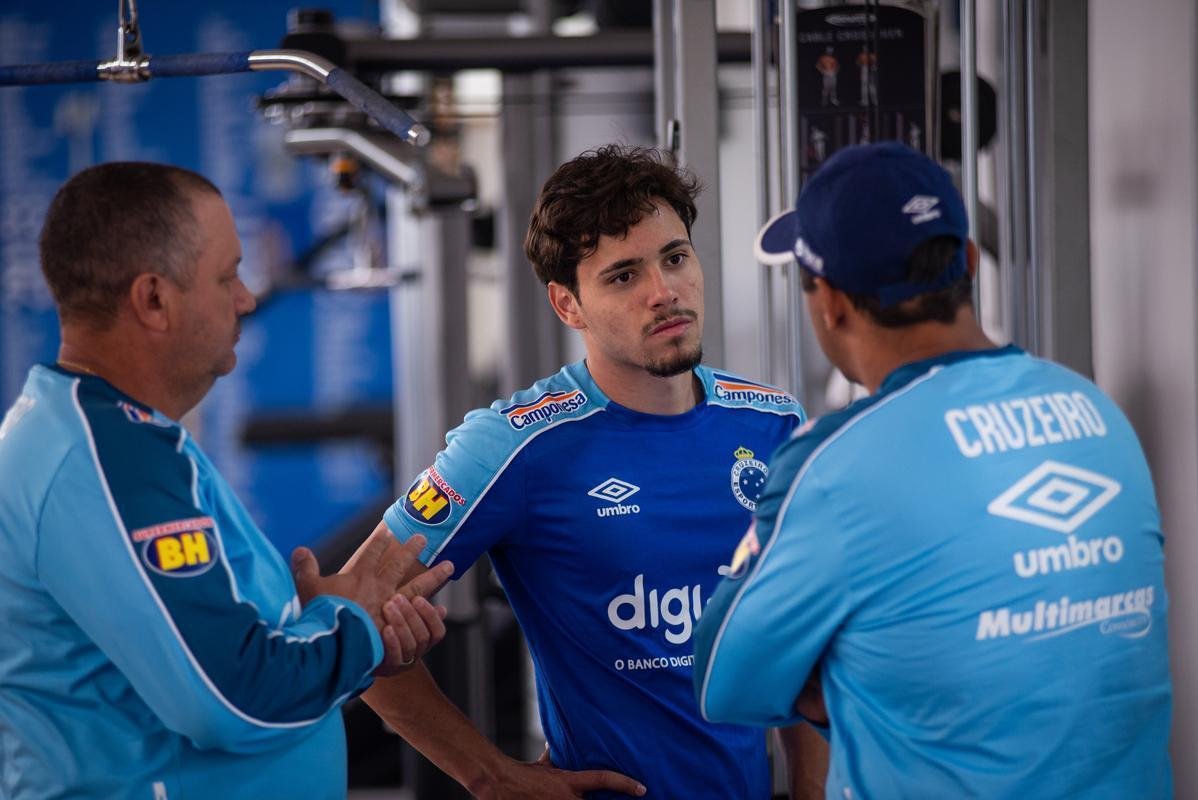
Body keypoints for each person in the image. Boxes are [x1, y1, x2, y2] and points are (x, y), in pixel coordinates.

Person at [694, 142, 1173, 797]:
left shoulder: (836, 464)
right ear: (969, 263)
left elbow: (725, 679)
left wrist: (844, 675)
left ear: (829, 301)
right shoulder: (1097, 412)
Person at [358, 144, 827, 798]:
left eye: (674, 258)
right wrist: (489, 775)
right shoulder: (513, 443)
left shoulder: (773, 425)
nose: (664, 293)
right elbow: (350, 612)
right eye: (623, 275)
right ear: (567, 304)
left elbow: (796, 636)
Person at [0, 162, 454, 800]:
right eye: (227, 275)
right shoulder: (106, 456)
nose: (245, 297)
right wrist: (352, 625)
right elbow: (231, 698)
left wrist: (334, 631)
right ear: (154, 299)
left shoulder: (110, 438)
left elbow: (221, 659)